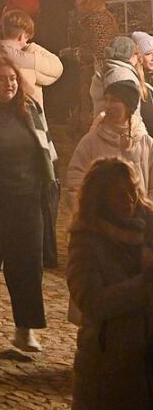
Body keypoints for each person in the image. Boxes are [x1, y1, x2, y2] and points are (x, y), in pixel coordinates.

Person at [0, 56, 57, 353]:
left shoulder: (30, 109)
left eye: (12, 79)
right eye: (1, 79)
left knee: (29, 265)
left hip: (28, 200)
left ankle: (26, 328)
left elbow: (46, 150)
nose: (9, 84)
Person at [67, 158, 153, 410]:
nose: (128, 200)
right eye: (119, 195)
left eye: (131, 191)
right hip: (107, 365)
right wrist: (144, 284)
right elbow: (93, 302)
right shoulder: (87, 239)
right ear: (101, 198)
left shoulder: (149, 228)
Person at [66, 74, 153, 207]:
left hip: (137, 221)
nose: (107, 105)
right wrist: (88, 215)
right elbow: (75, 181)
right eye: (106, 99)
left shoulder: (145, 143)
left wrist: (146, 213)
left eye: (114, 100)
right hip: (101, 222)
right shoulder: (91, 141)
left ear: (128, 106)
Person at [0, 10, 63, 110]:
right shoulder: (29, 62)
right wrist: (33, 48)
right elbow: (57, 69)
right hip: (26, 120)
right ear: (22, 36)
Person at [69, 0, 120, 132]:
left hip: (96, 74)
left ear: (88, 1)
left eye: (78, 0)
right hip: (93, 71)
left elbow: (101, 51)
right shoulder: (93, 18)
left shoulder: (98, 20)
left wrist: (80, 54)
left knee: (94, 106)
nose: (75, 4)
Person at [90, 36, 153, 132]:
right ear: (130, 55)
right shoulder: (122, 75)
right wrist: (140, 137)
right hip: (121, 135)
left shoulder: (111, 70)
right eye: (136, 54)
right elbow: (130, 113)